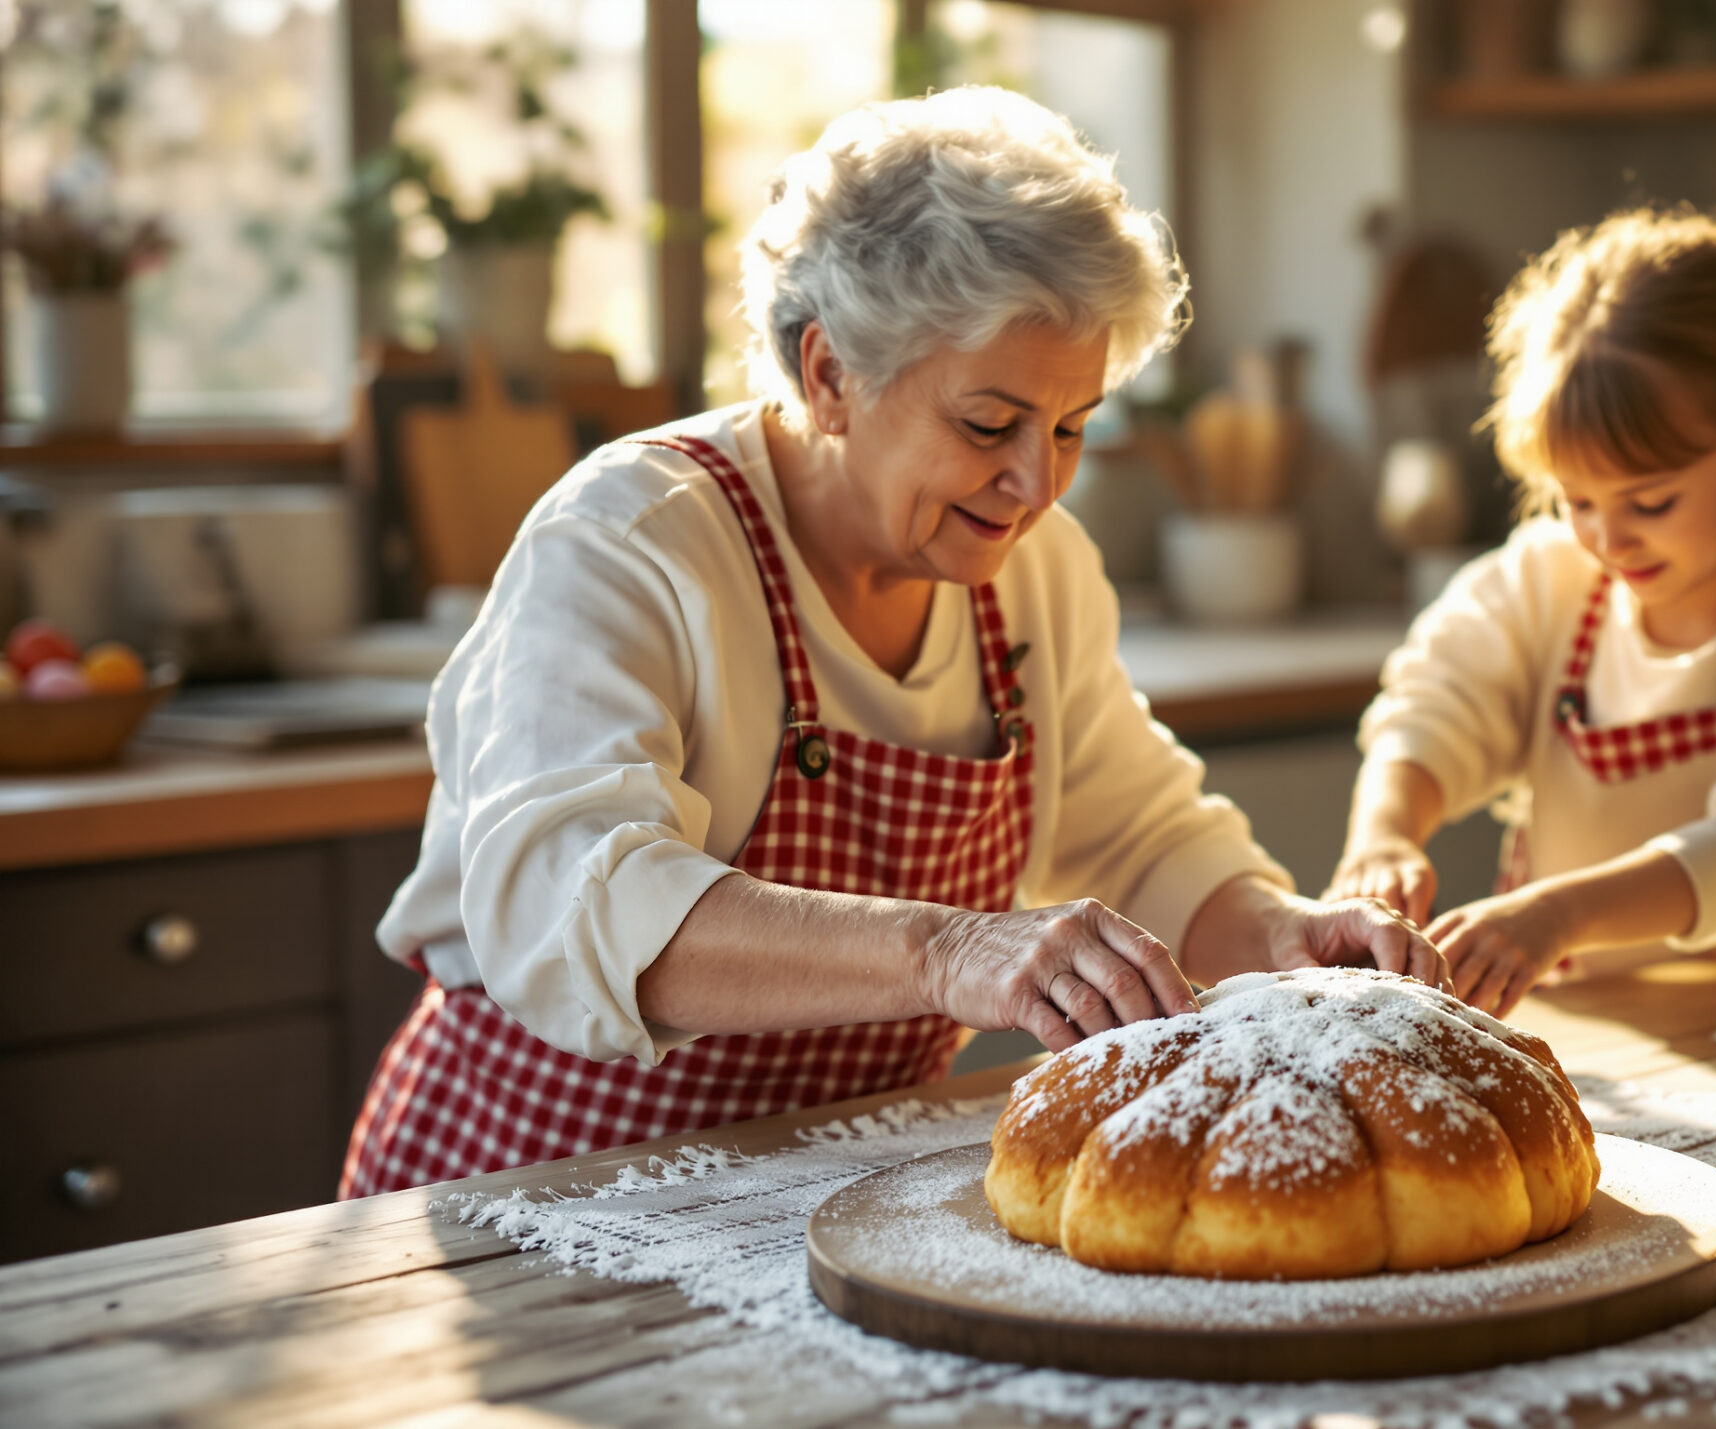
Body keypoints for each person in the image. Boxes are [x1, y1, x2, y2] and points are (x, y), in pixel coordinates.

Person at [342, 88, 1442, 1198]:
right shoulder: (630, 539)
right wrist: (949, 950)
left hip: (817, 1197)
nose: (1033, 483)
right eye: (986, 424)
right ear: (830, 375)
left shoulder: (1030, 570)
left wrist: (1286, 936)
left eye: (1071, 427)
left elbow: (1143, 844)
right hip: (538, 1193)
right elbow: (571, 908)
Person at [1327, 207, 1716, 1016]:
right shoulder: (1547, 579)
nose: (1608, 537)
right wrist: (1385, 835)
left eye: (1651, 501)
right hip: (1606, 1034)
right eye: (1577, 499)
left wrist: (1558, 913)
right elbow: (1432, 702)